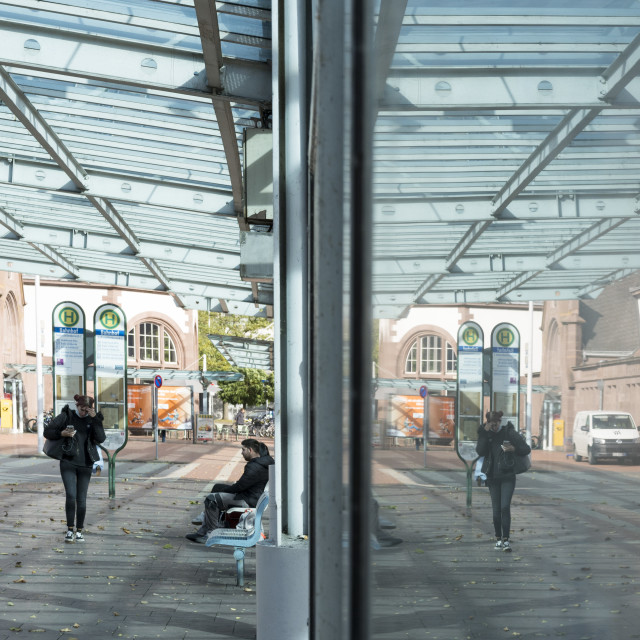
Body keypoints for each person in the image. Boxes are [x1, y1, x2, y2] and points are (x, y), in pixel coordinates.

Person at [44, 394, 106, 543]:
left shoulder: (93, 419)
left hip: (86, 463)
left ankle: (79, 530)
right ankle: (69, 529)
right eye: (81, 408)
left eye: (87, 410)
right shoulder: (66, 416)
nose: (83, 412)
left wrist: (95, 419)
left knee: (82, 498)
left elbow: (101, 438)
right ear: (76, 406)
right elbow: (47, 431)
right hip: (68, 461)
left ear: (91, 408)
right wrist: (61, 433)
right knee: (71, 496)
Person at [186, 439, 274, 543]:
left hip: (248, 500)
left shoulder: (254, 466)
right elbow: (244, 484)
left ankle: (210, 533)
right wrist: (224, 490)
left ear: (250, 450)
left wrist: (226, 491)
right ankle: (203, 528)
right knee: (217, 487)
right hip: (254, 497)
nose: (241, 452)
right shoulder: (264, 463)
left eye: (243, 449)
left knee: (211, 499)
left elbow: (240, 486)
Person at [475, 410, 530, 552]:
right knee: (496, 511)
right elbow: (480, 451)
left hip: (507, 476)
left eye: (497, 423)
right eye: (492, 424)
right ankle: (498, 538)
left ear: (500, 421)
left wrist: (514, 448)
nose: (495, 426)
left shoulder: (509, 433)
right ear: (488, 423)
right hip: (492, 477)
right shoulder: (485, 434)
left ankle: (506, 540)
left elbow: (526, 449)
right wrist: (485, 433)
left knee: (505, 507)